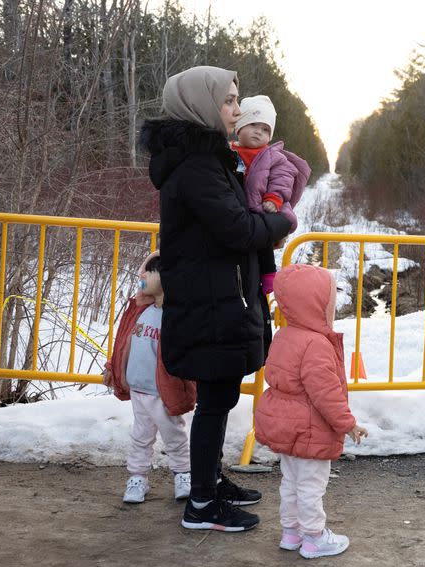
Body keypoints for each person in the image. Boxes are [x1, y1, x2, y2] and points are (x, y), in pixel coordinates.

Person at [139, 66, 292, 532]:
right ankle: (202, 503)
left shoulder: (206, 158)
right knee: (214, 401)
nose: (236, 108)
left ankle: (209, 480)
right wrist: (283, 222)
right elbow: (238, 228)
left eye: (236, 99)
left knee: (218, 397)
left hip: (215, 298)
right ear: (203, 106)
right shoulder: (198, 165)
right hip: (208, 302)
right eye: (227, 100)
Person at [254, 264, 369, 559]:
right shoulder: (316, 344)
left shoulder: (284, 335)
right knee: (311, 486)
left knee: (290, 482)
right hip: (310, 430)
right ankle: (315, 538)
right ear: (317, 304)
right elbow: (326, 394)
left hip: (287, 428)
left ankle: (291, 532)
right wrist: (348, 423)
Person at [103, 251, 196, 504]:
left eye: (150, 270)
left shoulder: (178, 316)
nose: (142, 275)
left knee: (174, 435)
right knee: (140, 436)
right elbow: (124, 343)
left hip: (165, 390)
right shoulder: (139, 311)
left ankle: (183, 474)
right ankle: (137, 478)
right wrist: (113, 367)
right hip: (139, 389)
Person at [230, 95, 311, 296]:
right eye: (253, 125)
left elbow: (283, 179)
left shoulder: (274, 156)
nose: (259, 131)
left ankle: (268, 275)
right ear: (239, 127)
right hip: (238, 210)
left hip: (264, 207)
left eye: (265, 129)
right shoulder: (228, 152)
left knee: (264, 244)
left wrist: (274, 198)